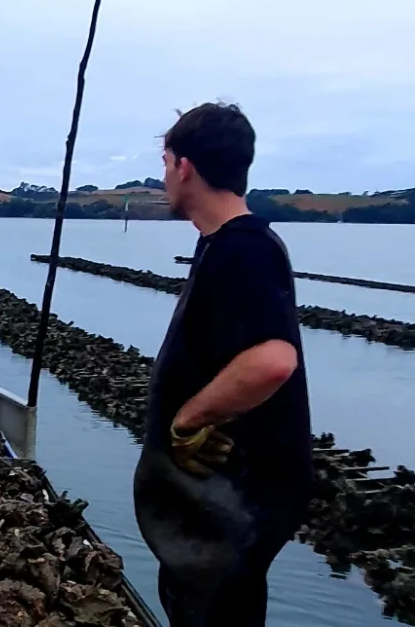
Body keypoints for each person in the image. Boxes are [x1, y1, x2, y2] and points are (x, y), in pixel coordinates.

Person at [132, 102, 313, 626]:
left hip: (234, 508)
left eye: (167, 163)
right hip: (215, 514)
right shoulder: (227, 245)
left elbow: (272, 361)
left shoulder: (243, 250)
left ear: (185, 166)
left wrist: (189, 418)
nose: (165, 176)